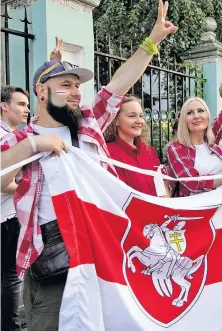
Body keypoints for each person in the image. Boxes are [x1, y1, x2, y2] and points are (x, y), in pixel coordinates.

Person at [0, 2, 177, 329]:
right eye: (65, 85)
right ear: (41, 91)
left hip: (104, 256)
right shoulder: (22, 137)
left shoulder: (88, 125)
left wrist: (152, 42)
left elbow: (120, 83)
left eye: (77, 86)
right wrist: (33, 145)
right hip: (54, 269)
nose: (75, 93)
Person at [167, 37, 222, 197]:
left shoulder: (213, 139)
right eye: (190, 112)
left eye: (201, 111)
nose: (196, 116)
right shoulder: (175, 149)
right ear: (183, 120)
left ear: (208, 116)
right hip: (195, 212)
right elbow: (192, 183)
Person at [1, 86, 30, 331]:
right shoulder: (5, 139)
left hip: (8, 215)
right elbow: (3, 183)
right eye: (21, 104)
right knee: (11, 277)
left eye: (27, 105)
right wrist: (27, 186)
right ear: (4, 106)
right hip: (5, 217)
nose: (26, 110)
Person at [104, 97, 168, 196]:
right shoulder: (108, 153)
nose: (139, 121)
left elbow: (162, 189)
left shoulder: (150, 151)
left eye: (141, 116)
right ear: (116, 120)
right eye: (132, 116)